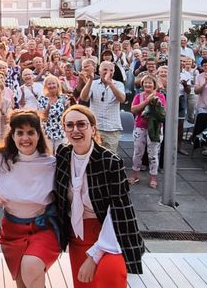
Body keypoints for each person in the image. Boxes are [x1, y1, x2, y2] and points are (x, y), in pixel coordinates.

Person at [54, 105, 145, 287]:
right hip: (77, 236)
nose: (75, 130)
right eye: (69, 125)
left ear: (93, 128)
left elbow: (118, 211)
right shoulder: (63, 154)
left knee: (110, 276)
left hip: (109, 234)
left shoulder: (109, 161)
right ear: (64, 129)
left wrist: (95, 255)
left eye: (82, 124)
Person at [0, 110, 59, 288]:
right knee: (22, 283)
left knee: (32, 267)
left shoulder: (51, 163)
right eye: (20, 132)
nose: (25, 138)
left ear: (38, 135)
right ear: (12, 136)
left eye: (30, 132)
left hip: (43, 228)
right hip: (11, 231)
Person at [79, 61, 127, 157]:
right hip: (95, 127)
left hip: (111, 128)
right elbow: (84, 98)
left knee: (110, 158)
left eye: (111, 70)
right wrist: (90, 80)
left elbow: (122, 99)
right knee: (93, 156)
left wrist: (110, 84)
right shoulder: (93, 83)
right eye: (105, 69)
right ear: (99, 72)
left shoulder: (119, 84)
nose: (108, 72)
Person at [130, 75, 166, 188]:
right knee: (137, 152)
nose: (147, 85)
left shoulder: (160, 96)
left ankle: (153, 177)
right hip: (140, 126)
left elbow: (163, 113)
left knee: (153, 154)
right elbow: (133, 109)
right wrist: (147, 101)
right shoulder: (138, 96)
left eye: (150, 83)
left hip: (155, 128)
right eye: (145, 83)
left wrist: (156, 102)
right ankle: (135, 174)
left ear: (154, 84)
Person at [37, 75, 71, 149]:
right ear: (46, 86)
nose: (51, 86)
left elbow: (67, 115)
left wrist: (67, 107)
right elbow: (43, 118)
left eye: (53, 83)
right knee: (48, 156)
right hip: (47, 132)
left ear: (57, 85)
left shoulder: (63, 98)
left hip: (61, 132)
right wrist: (48, 107)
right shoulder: (42, 99)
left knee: (61, 153)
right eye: (49, 84)